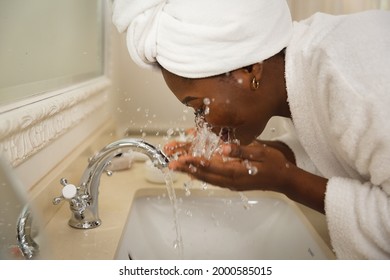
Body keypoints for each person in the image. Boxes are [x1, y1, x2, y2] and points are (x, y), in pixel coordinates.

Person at [112, 0, 390, 259]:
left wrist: (286, 180)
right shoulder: (306, 68)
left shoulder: (350, 78)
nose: (203, 124)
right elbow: (333, 142)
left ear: (249, 70)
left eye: (198, 107)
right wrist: (266, 154)